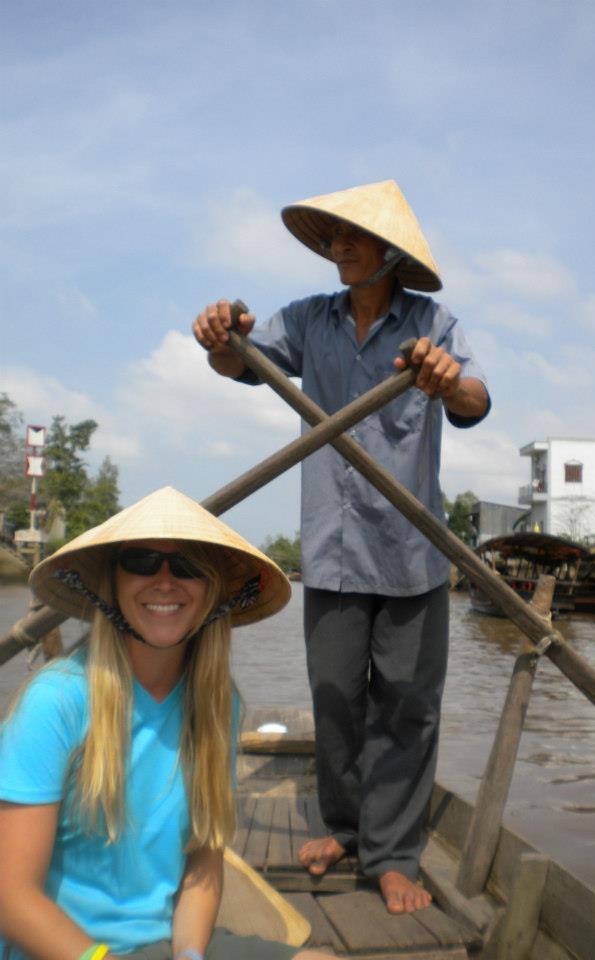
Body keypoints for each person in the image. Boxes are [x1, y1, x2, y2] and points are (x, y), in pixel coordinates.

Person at [192, 179, 490, 914]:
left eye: (353, 238)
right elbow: (236, 362)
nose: (339, 249)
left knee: (407, 706)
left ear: (389, 252)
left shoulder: (431, 324)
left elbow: (475, 402)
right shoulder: (307, 322)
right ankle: (345, 830)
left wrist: (446, 381)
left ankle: (392, 854)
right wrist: (219, 335)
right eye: (332, 239)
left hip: (411, 551)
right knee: (335, 700)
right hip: (331, 547)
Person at [0, 485, 330, 960]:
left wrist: (190, 955)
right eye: (141, 561)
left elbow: (203, 863)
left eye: (189, 566)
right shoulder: (55, 703)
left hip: (163, 945)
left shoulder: (218, 705)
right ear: (111, 581)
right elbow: (12, 899)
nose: (165, 581)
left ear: (212, 589)